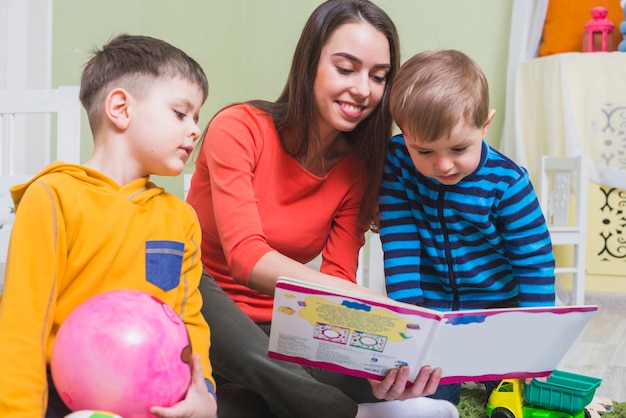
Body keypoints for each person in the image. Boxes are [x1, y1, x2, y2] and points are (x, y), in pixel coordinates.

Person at [186, 1, 458, 417]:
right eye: (346, 69)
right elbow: (247, 259)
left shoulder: (359, 169)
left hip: (282, 333)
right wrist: (379, 304)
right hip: (204, 315)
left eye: (378, 76)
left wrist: (372, 359)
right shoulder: (239, 128)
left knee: (415, 390)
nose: (363, 89)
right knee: (192, 281)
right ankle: (334, 411)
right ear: (310, 64)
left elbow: (334, 282)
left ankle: (251, 398)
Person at [0, 34, 217, 418]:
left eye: (197, 118)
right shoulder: (53, 197)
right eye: (181, 113)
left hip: (157, 401)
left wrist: (204, 396)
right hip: (62, 396)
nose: (195, 129)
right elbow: (23, 324)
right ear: (120, 108)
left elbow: (188, 320)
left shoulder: (180, 218)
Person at [379, 49, 557, 405]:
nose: (443, 165)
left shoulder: (507, 183)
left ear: (485, 125)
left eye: (459, 148)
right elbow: (399, 236)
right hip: (435, 315)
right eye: (424, 151)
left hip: (497, 314)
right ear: (404, 134)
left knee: (519, 392)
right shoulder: (398, 162)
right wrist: (411, 317)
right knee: (424, 397)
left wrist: (535, 339)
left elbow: (534, 262)